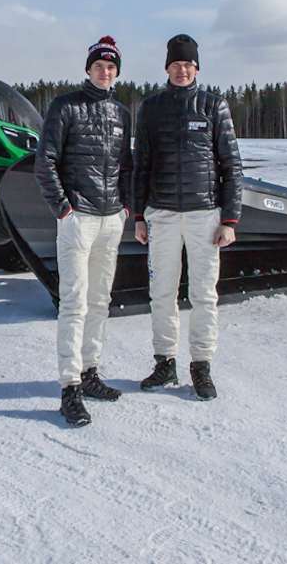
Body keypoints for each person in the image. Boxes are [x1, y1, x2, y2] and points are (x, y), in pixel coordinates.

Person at [133, 34, 243, 401]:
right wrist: (139, 215)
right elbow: (141, 165)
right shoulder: (151, 108)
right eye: (175, 64)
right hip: (161, 214)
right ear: (166, 68)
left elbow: (232, 166)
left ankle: (201, 365)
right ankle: (165, 361)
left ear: (197, 68)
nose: (182, 70)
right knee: (161, 293)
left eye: (188, 64)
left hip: (204, 215)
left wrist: (229, 220)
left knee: (202, 294)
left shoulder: (213, 106)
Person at [35, 36, 133, 426]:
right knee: (74, 303)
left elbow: (126, 165)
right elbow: (46, 161)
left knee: (99, 300)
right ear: (88, 68)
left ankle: (91, 372)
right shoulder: (66, 106)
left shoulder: (121, 114)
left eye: (111, 67)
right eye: (99, 65)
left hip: (111, 219)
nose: (105, 72)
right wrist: (63, 209)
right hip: (78, 219)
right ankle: (70, 387)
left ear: (116, 73)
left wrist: (125, 208)